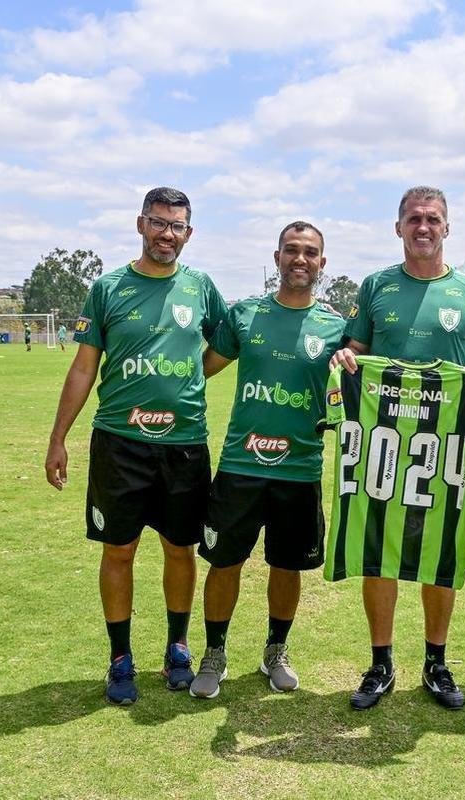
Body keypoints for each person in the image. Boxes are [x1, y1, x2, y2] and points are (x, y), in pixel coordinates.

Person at [44, 187, 228, 706]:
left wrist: (193, 374)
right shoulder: (107, 289)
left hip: (184, 443)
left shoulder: (201, 288)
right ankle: (120, 658)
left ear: (188, 234)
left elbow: (224, 347)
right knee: (118, 550)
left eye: (177, 226)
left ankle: (177, 647)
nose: (167, 233)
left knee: (179, 549)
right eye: (158, 223)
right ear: (140, 224)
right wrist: (58, 437)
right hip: (119, 443)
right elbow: (84, 367)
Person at [329, 186, 465, 711]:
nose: (423, 227)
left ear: (447, 228)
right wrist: (346, 357)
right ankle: (381, 663)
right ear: (398, 227)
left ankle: (436, 662)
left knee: (440, 551)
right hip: (384, 445)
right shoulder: (377, 286)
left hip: (445, 445)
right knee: (379, 551)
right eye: (413, 219)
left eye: (432, 219)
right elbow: (355, 349)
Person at [189, 221, 345, 700]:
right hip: (241, 465)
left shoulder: (337, 328)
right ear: (276, 257)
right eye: (291, 250)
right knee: (225, 562)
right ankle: (213, 654)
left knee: (287, 566)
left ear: (323, 263)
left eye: (310, 252)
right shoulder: (245, 316)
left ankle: (275, 650)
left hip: (299, 470)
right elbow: (199, 368)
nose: (300, 259)